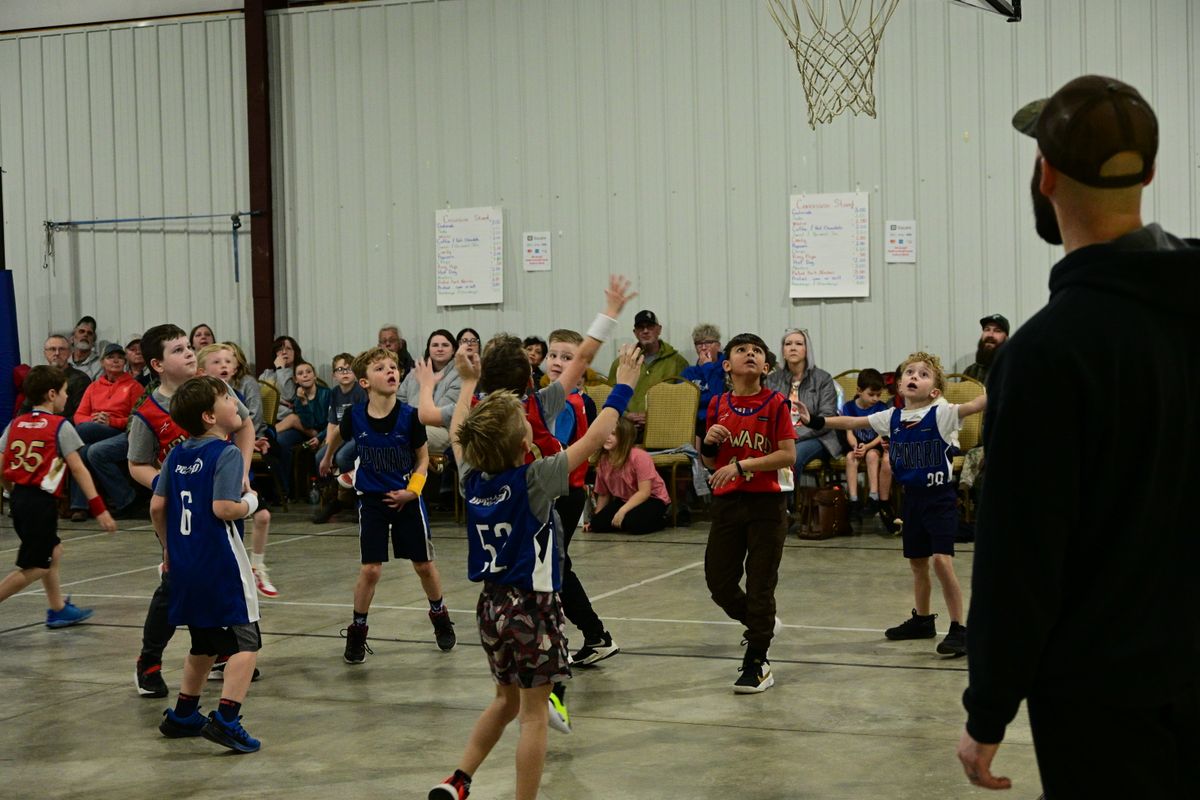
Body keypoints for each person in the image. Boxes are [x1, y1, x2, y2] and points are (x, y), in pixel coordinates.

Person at [957, 75, 1199, 796]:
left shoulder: (1047, 354)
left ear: (1046, 176)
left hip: (1104, 695)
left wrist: (989, 708)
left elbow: (1022, 555)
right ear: (1149, 175)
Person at [428, 342, 642, 800]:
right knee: (533, 715)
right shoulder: (535, 479)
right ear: (524, 443)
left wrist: (468, 384)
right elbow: (594, 439)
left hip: (490, 607)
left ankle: (459, 779)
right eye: (524, 422)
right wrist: (624, 386)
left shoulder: (470, 480)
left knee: (504, 701)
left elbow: (460, 432)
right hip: (532, 607)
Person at [797, 352, 986, 659]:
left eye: (923, 374)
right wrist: (815, 420)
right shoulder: (892, 417)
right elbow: (853, 420)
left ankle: (958, 628)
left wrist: (1008, 380)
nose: (914, 376)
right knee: (918, 563)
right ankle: (923, 620)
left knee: (941, 561)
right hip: (911, 500)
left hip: (939, 499)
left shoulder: (943, 413)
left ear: (935, 391)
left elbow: (976, 404)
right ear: (899, 385)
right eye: (909, 372)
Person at [128, 324, 258, 699]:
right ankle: (149, 660)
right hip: (182, 511)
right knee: (174, 585)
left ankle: (221, 649)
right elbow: (136, 465)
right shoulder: (147, 412)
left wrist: (241, 472)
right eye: (178, 349)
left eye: (188, 346)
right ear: (157, 364)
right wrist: (169, 484)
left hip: (219, 503)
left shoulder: (215, 391)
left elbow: (245, 425)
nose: (189, 353)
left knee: (223, 576)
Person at [318, 347, 455, 663]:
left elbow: (423, 461)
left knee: (423, 565)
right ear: (364, 382)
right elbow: (337, 435)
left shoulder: (410, 416)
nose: (390, 371)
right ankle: (357, 630)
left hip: (407, 499)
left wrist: (412, 491)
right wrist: (327, 457)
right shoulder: (355, 415)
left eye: (393, 366)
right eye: (380, 368)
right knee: (371, 570)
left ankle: (440, 615)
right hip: (372, 501)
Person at [151, 375, 263, 753]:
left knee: (204, 641)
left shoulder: (176, 455)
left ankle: (184, 713)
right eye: (227, 399)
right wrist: (251, 503)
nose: (235, 403)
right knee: (247, 641)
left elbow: (157, 507)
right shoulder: (225, 453)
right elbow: (224, 508)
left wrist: (168, 549)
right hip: (219, 562)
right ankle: (228, 720)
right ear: (209, 416)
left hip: (185, 562)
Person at [700, 333, 797, 693]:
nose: (750, 354)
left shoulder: (776, 403)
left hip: (766, 504)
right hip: (727, 504)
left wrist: (742, 466)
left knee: (760, 584)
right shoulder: (718, 403)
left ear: (766, 366)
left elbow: (788, 455)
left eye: (757, 351)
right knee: (719, 582)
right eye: (741, 350)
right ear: (727, 364)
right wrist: (709, 444)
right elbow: (710, 462)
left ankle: (757, 660)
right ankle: (763, 625)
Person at [0, 366, 117, 626]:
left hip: (20, 499)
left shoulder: (15, 424)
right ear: (52, 394)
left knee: (54, 550)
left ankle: (58, 608)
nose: (67, 397)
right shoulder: (59, 426)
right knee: (37, 566)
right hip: (39, 504)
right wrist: (99, 508)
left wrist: (11, 490)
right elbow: (78, 469)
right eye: (65, 392)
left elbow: (1, 465)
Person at [196, 343, 279, 600]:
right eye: (216, 362)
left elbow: (242, 430)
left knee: (262, 516)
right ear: (201, 371)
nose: (223, 365)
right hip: (211, 471)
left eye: (228, 361)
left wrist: (252, 446)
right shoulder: (197, 400)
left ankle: (257, 567)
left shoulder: (235, 398)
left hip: (235, 469)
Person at [67, 343, 143, 521]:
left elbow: (138, 420)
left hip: (122, 432)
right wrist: (93, 419)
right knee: (83, 451)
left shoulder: (134, 386)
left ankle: (80, 504)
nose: (116, 361)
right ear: (102, 362)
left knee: (82, 433)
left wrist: (112, 421)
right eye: (110, 357)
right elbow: (79, 415)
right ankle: (82, 507)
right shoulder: (94, 386)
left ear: (124, 362)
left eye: (120, 358)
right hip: (95, 429)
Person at [764, 328, 838, 474]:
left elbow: (828, 417)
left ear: (807, 350)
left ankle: (787, 491)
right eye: (788, 344)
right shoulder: (771, 380)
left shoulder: (823, 379)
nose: (793, 348)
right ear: (783, 351)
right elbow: (765, 414)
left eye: (798, 344)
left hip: (817, 437)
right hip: (779, 438)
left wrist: (793, 436)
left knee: (791, 458)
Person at [605, 309, 688, 430]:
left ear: (659, 329)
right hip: (627, 430)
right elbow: (609, 396)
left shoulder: (677, 362)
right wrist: (626, 415)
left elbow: (684, 401)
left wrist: (654, 416)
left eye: (650, 326)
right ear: (635, 332)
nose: (645, 331)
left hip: (664, 430)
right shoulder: (622, 363)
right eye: (640, 327)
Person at [312, 352, 368, 524]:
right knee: (320, 456)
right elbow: (332, 422)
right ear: (334, 375)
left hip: (358, 434)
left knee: (343, 457)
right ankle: (332, 498)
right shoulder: (335, 392)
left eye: (348, 369)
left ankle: (355, 499)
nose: (345, 372)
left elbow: (361, 422)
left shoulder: (360, 391)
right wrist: (328, 446)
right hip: (341, 434)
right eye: (340, 369)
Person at [588, 416, 669, 534]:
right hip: (625, 499)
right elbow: (603, 494)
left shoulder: (639, 456)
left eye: (613, 434)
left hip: (652, 499)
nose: (607, 437)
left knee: (633, 523)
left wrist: (622, 511)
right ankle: (626, 519)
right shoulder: (603, 460)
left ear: (624, 437)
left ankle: (662, 520)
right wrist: (596, 518)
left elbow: (644, 492)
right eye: (606, 433)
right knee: (597, 525)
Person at [397, 329, 461, 457]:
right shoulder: (415, 373)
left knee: (404, 436)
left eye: (445, 345)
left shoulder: (460, 375)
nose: (440, 349)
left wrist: (425, 386)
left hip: (445, 430)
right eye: (435, 345)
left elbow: (439, 416)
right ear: (429, 349)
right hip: (411, 425)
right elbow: (399, 403)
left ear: (453, 350)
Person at [837, 368, 892, 518]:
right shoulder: (849, 407)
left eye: (878, 395)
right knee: (851, 457)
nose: (875, 399)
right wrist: (856, 447)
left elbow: (882, 434)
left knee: (872, 456)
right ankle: (853, 500)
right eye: (871, 394)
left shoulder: (881, 408)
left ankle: (873, 497)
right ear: (859, 391)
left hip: (874, 444)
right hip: (857, 443)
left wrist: (867, 446)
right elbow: (849, 432)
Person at [273, 359, 331, 497]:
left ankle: (266, 434)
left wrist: (320, 436)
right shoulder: (298, 398)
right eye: (300, 373)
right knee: (280, 440)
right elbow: (308, 423)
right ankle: (284, 490)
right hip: (306, 430)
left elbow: (330, 422)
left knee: (292, 420)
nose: (305, 375)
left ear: (315, 376)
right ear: (296, 380)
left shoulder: (327, 393)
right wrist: (304, 402)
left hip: (325, 432)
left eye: (308, 372)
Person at [681, 323, 727, 446]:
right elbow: (683, 402)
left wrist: (708, 367)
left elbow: (719, 397)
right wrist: (707, 399)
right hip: (693, 422)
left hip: (718, 421)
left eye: (708, 343)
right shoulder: (688, 372)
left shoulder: (726, 369)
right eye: (699, 343)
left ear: (718, 346)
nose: (703, 347)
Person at [40, 335, 90, 421]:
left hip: (66, 425)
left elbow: (80, 416)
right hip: (39, 424)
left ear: (69, 353)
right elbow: (24, 410)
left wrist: (52, 423)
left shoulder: (81, 379)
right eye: (52, 349)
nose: (57, 353)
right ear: (45, 353)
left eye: (62, 349)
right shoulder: (38, 378)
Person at [258, 335, 302, 414]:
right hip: (266, 416)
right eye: (279, 349)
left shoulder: (300, 373)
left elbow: (288, 396)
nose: (284, 352)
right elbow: (259, 397)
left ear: (295, 352)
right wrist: (280, 401)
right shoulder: (266, 374)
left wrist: (281, 369)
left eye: (288, 348)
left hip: (288, 417)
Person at [962, 314, 1009, 384]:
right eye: (987, 329)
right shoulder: (970, 372)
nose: (990, 334)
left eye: (997, 331)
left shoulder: (1015, 370)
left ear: (1006, 338)